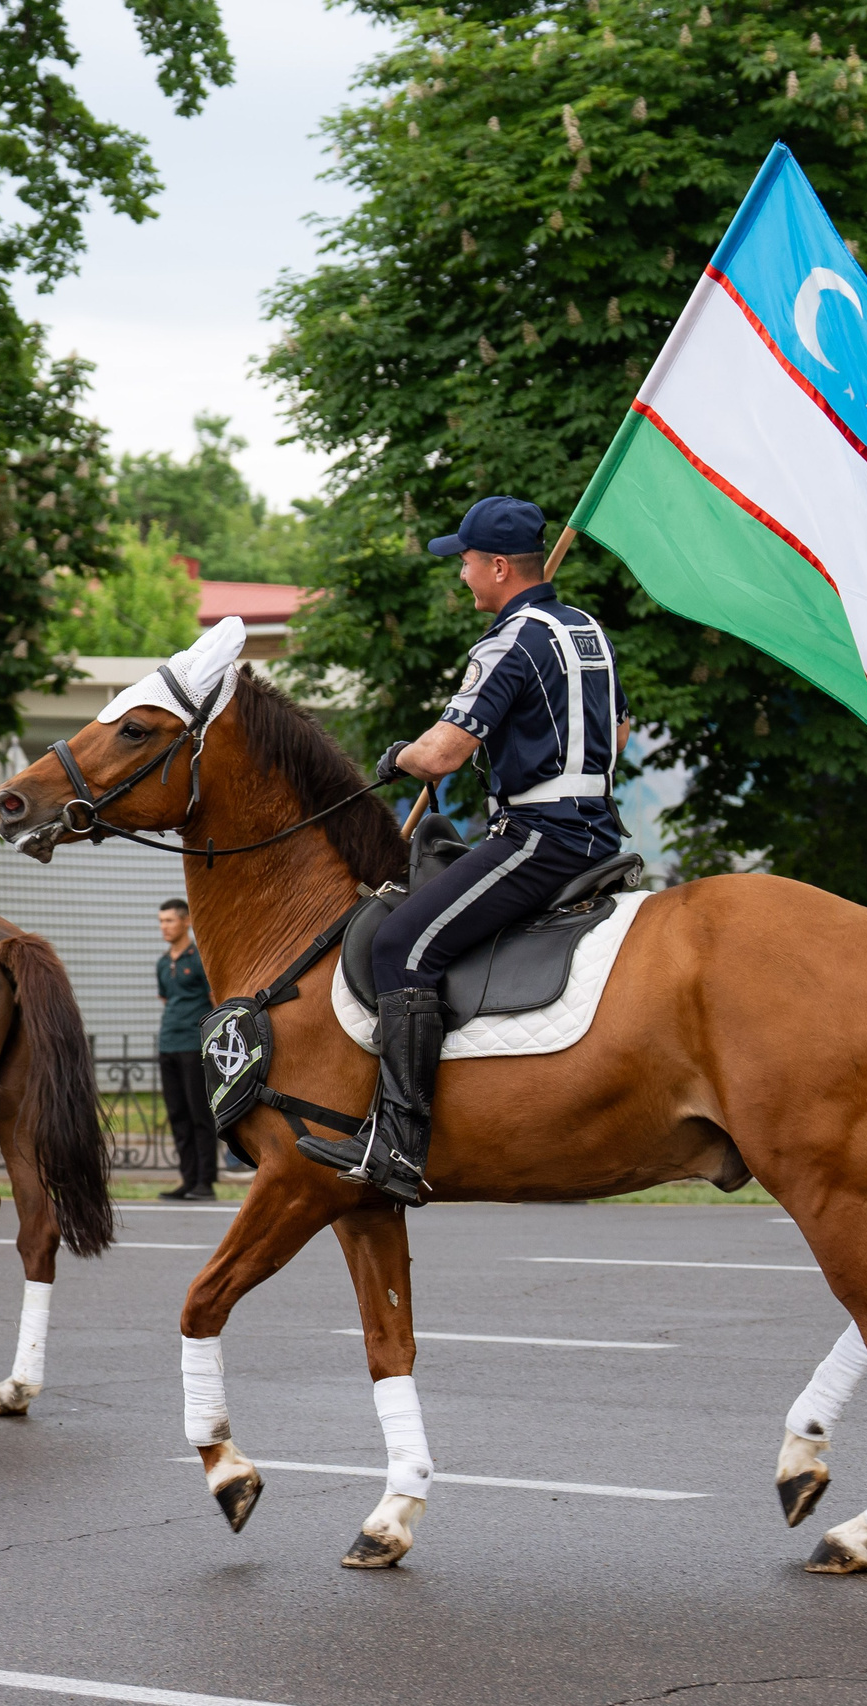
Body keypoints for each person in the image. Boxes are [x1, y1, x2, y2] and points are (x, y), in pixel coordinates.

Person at [297, 497, 631, 1206]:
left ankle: (398, 1143)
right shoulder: (587, 632)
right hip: (600, 827)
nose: (463, 576)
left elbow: (445, 753)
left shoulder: (509, 641)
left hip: (542, 837)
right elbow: (620, 735)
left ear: (500, 566)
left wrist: (398, 755)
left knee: (400, 945)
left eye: (469, 562)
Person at [155, 899, 218, 1201]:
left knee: (199, 1114)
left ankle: (205, 1182)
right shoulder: (162, 962)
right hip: (168, 1044)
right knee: (177, 1115)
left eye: (169, 920)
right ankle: (188, 1180)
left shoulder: (201, 958)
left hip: (195, 1046)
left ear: (186, 921)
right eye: (161, 921)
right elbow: (167, 1000)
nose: (164, 926)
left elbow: (214, 1000)